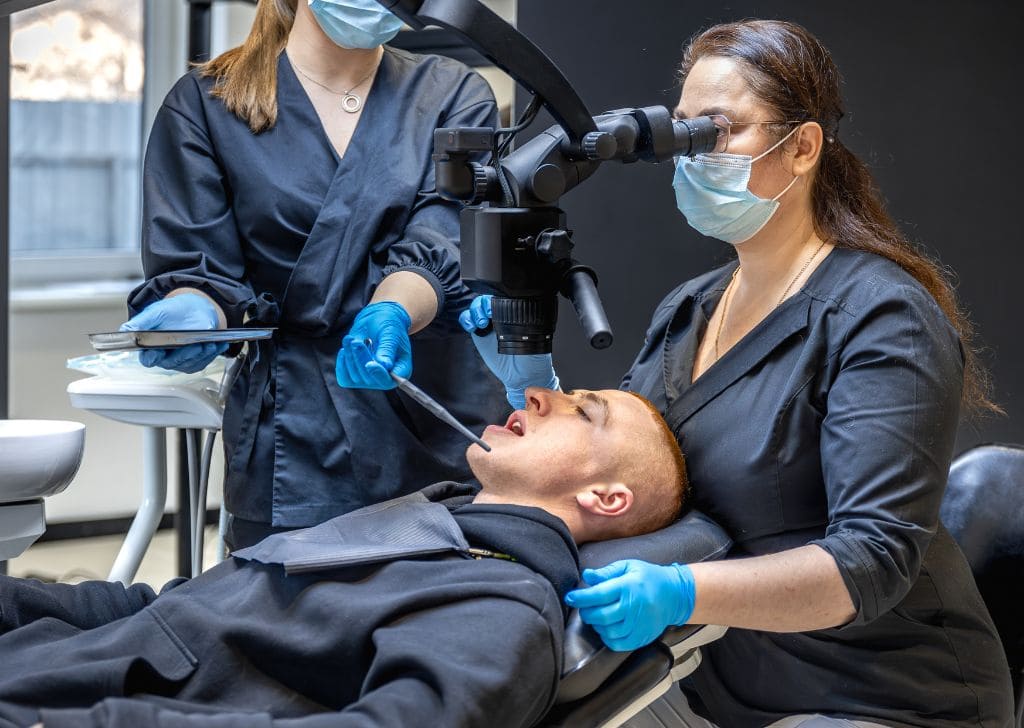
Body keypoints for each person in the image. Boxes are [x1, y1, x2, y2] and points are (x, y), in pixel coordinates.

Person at [461, 19, 1014, 728]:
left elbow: (869, 563)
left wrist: (682, 592)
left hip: (884, 697)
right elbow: (632, 472)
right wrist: (527, 382)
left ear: (804, 147)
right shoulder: (690, 310)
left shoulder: (882, 319)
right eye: (683, 133)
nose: (694, 158)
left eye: (717, 132)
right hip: (718, 685)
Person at [0, 388, 686, 728]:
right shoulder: (424, 527)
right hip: (56, 664)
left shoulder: (500, 603)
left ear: (607, 496)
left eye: (582, 411)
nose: (539, 395)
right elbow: (187, 609)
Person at [119, 0, 506, 550]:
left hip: (433, 409)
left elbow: (442, 233)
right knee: (285, 618)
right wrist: (197, 310)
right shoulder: (206, 105)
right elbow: (201, 268)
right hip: (294, 439)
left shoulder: (451, 93)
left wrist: (392, 308)